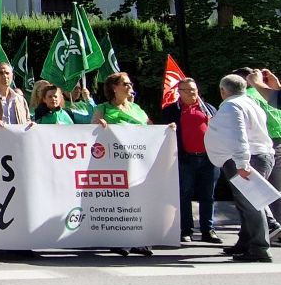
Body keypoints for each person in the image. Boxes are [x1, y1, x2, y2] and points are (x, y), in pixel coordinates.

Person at [205, 75, 275, 262]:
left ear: (223, 90)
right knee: (246, 204)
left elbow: (238, 135)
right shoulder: (251, 102)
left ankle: (259, 248)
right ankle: (246, 243)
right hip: (259, 155)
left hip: (246, 159)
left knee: (251, 204)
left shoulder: (231, 106)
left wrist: (242, 164)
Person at [93, 72, 157, 257]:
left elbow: (152, 128)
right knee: (119, 201)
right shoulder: (103, 108)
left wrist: (167, 130)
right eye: (125, 84)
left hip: (139, 162)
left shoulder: (137, 109)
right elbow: (91, 131)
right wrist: (99, 126)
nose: (130, 87)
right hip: (115, 163)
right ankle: (120, 240)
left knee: (138, 200)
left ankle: (139, 241)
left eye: (130, 84)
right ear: (114, 87)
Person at [160, 78, 221, 244]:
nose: (191, 92)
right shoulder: (171, 111)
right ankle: (185, 230)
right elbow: (161, 134)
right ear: (178, 93)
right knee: (184, 196)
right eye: (186, 90)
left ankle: (208, 230)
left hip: (209, 159)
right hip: (184, 159)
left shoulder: (208, 108)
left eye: (193, 89)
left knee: (208, 196)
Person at [232, 67, 281, 241]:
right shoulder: (271, 91)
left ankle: (260, 236)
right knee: (274, 191)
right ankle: (250, 238)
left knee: (252, 194)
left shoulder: (246, 97)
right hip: (275, 143)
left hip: (258, 146)